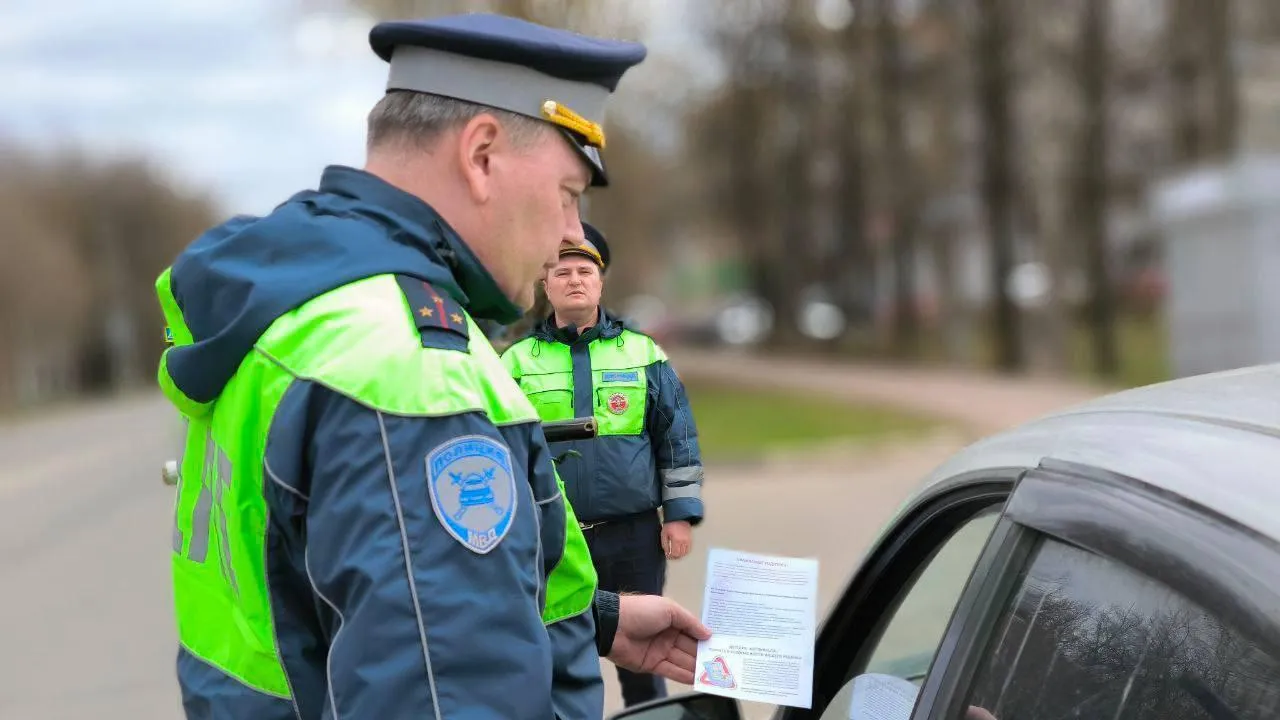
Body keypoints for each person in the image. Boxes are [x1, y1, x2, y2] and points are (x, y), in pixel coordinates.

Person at [154, 13, 709, 720]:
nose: (573, 234)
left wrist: (592, 619)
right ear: (481, 156)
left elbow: (332, 594)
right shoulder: (410, 369)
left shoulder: (303, 312)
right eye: (569, 195)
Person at [501, 222, 706, 707]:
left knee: (645, 661)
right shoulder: (514, 362)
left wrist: (679, 514)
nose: (574, 279)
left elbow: (676, 437)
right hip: (554, 538)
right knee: (559, 653)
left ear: (600, 282)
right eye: (562, 271)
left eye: (585, 271)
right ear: (545, 284)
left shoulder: (643, 353)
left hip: (633, 536)